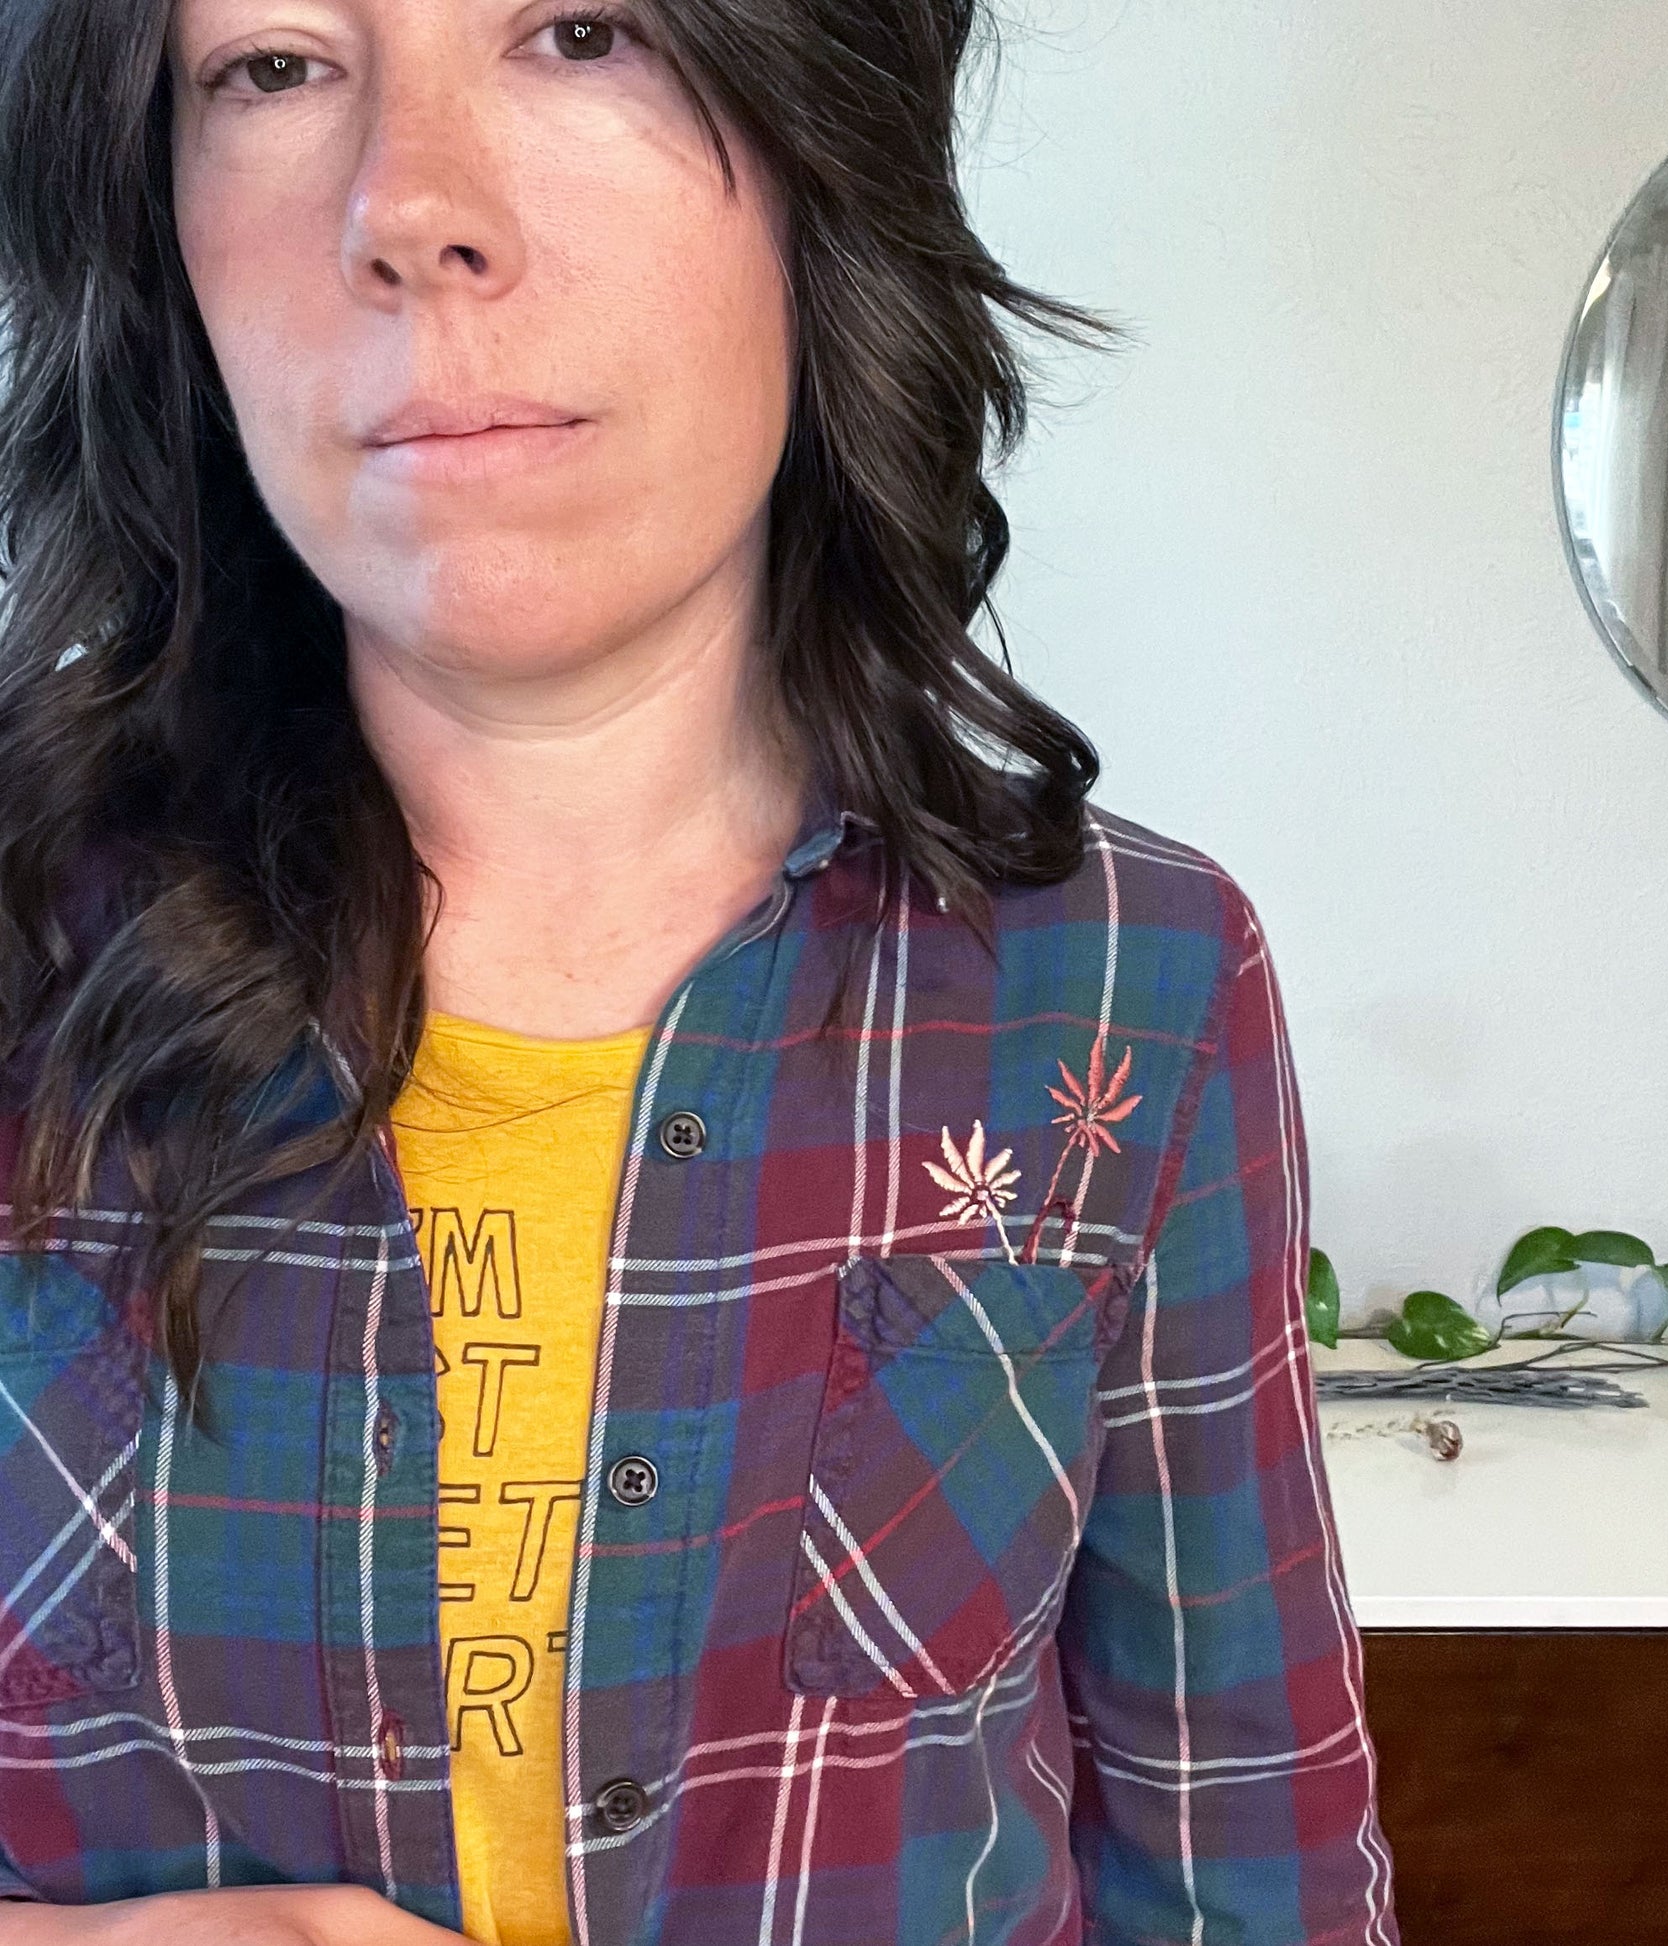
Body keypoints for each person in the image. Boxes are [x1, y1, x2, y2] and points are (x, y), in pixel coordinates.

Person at [0, 1, 1400, 1941]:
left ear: (823, 166)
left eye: (582, 33)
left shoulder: (1126, 988)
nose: (412, 205)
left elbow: (1251, 1847)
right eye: (273, 65)